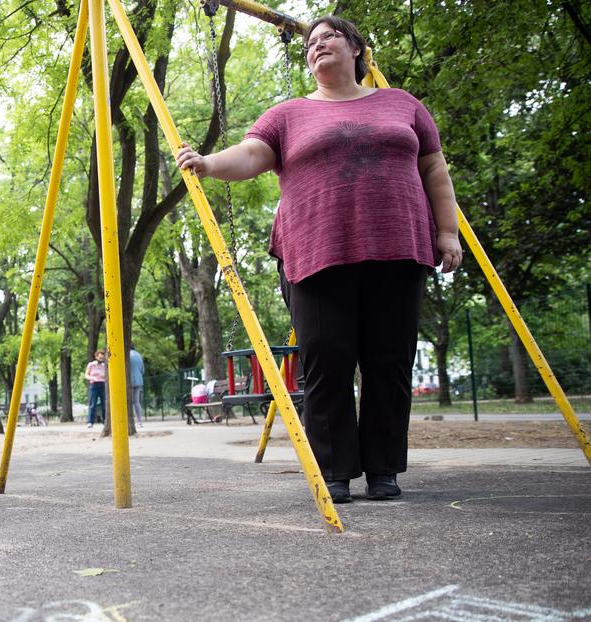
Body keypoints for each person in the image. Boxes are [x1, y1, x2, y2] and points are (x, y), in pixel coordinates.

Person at [177, 16, 462, 504]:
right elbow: (249, 155)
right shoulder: (288, 115)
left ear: (355, 47)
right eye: (310, 43)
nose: (316, 46)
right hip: (317, 251)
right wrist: (207, 164)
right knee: (326, 362)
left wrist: (448, 231)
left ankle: (383, 470)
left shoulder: (403, 105)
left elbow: (433, 167)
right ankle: (333, 471)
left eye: (326, 37)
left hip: (399, 248)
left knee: (388, 362)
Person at [84, 349, 107, 428]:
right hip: (94, 385)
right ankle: (90, 421)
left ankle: (105, 420)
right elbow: (86, 375)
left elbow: (107, 376)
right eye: (99, 357)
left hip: (102, 384)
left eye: (102, 358)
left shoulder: (104, 366)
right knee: (93, 404)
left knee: (104, 403)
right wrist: (92, 378)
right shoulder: (91, 365)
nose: (101, 359)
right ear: (96, 356)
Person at [129, 345, 145, 428]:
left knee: (129, 401)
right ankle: (139, 421)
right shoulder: (139, 355)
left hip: (129, 381)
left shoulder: (126, 355)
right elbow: (143, 370)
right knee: (136, 401)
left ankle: (130, 420)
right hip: (139, 380)